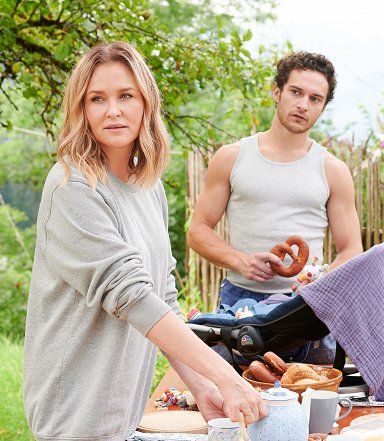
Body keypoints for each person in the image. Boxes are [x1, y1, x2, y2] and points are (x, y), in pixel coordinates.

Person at [23, 42, 266, 441]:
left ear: (145, 104)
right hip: (75, 414)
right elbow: (131, 296)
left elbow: (162, 296)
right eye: (96, 99)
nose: (112, 110)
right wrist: (226, 378)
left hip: (121, 413)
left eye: (125, 96)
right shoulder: (72, 187)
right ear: (81, 110)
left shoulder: (147, 187)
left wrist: (202, 385)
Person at [187, 51, 363, 363]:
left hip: (307, 309)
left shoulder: (332, 170)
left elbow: (351, 249)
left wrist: (317, 285)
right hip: (240, 304)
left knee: (313, 402)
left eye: (315, 98)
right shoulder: (231, 157)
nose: (303, 105)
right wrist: (241, 261)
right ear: (277, 91)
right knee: (235, 405)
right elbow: (198, 232)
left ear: (322, 107)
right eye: (296, 92)